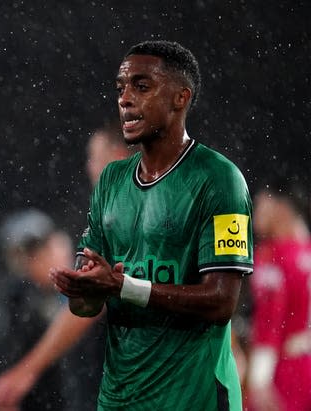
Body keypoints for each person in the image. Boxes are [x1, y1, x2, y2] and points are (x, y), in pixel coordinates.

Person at [49, 40, 254, 410]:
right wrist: (84, 291)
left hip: (194, 397)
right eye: (121, 88)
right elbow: (86, 308)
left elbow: (222, 301)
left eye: (141, 87)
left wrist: (125, 286)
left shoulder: (220, 179)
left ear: (181, 98)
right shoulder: (111, 181)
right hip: (119, 398)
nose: (125, 98)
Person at [0, 124, 132, 411]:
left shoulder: (123, 219)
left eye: (94, 159)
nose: (90, 168)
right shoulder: (14, 296)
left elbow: (90, 302)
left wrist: (26, 370)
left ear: (116, 157)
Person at [0, 209, 74, 411]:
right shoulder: (15, 299)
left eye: (44, 249)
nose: (39, 260)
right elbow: (4, 378)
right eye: (30, 254)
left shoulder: (80, 287)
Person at [246, 181, 311, 411]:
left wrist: (259, 378)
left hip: (283, 373)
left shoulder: (273, 257)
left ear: (282, 209)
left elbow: (269, 321)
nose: (255, 215)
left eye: (262, 205)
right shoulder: (306, 252)